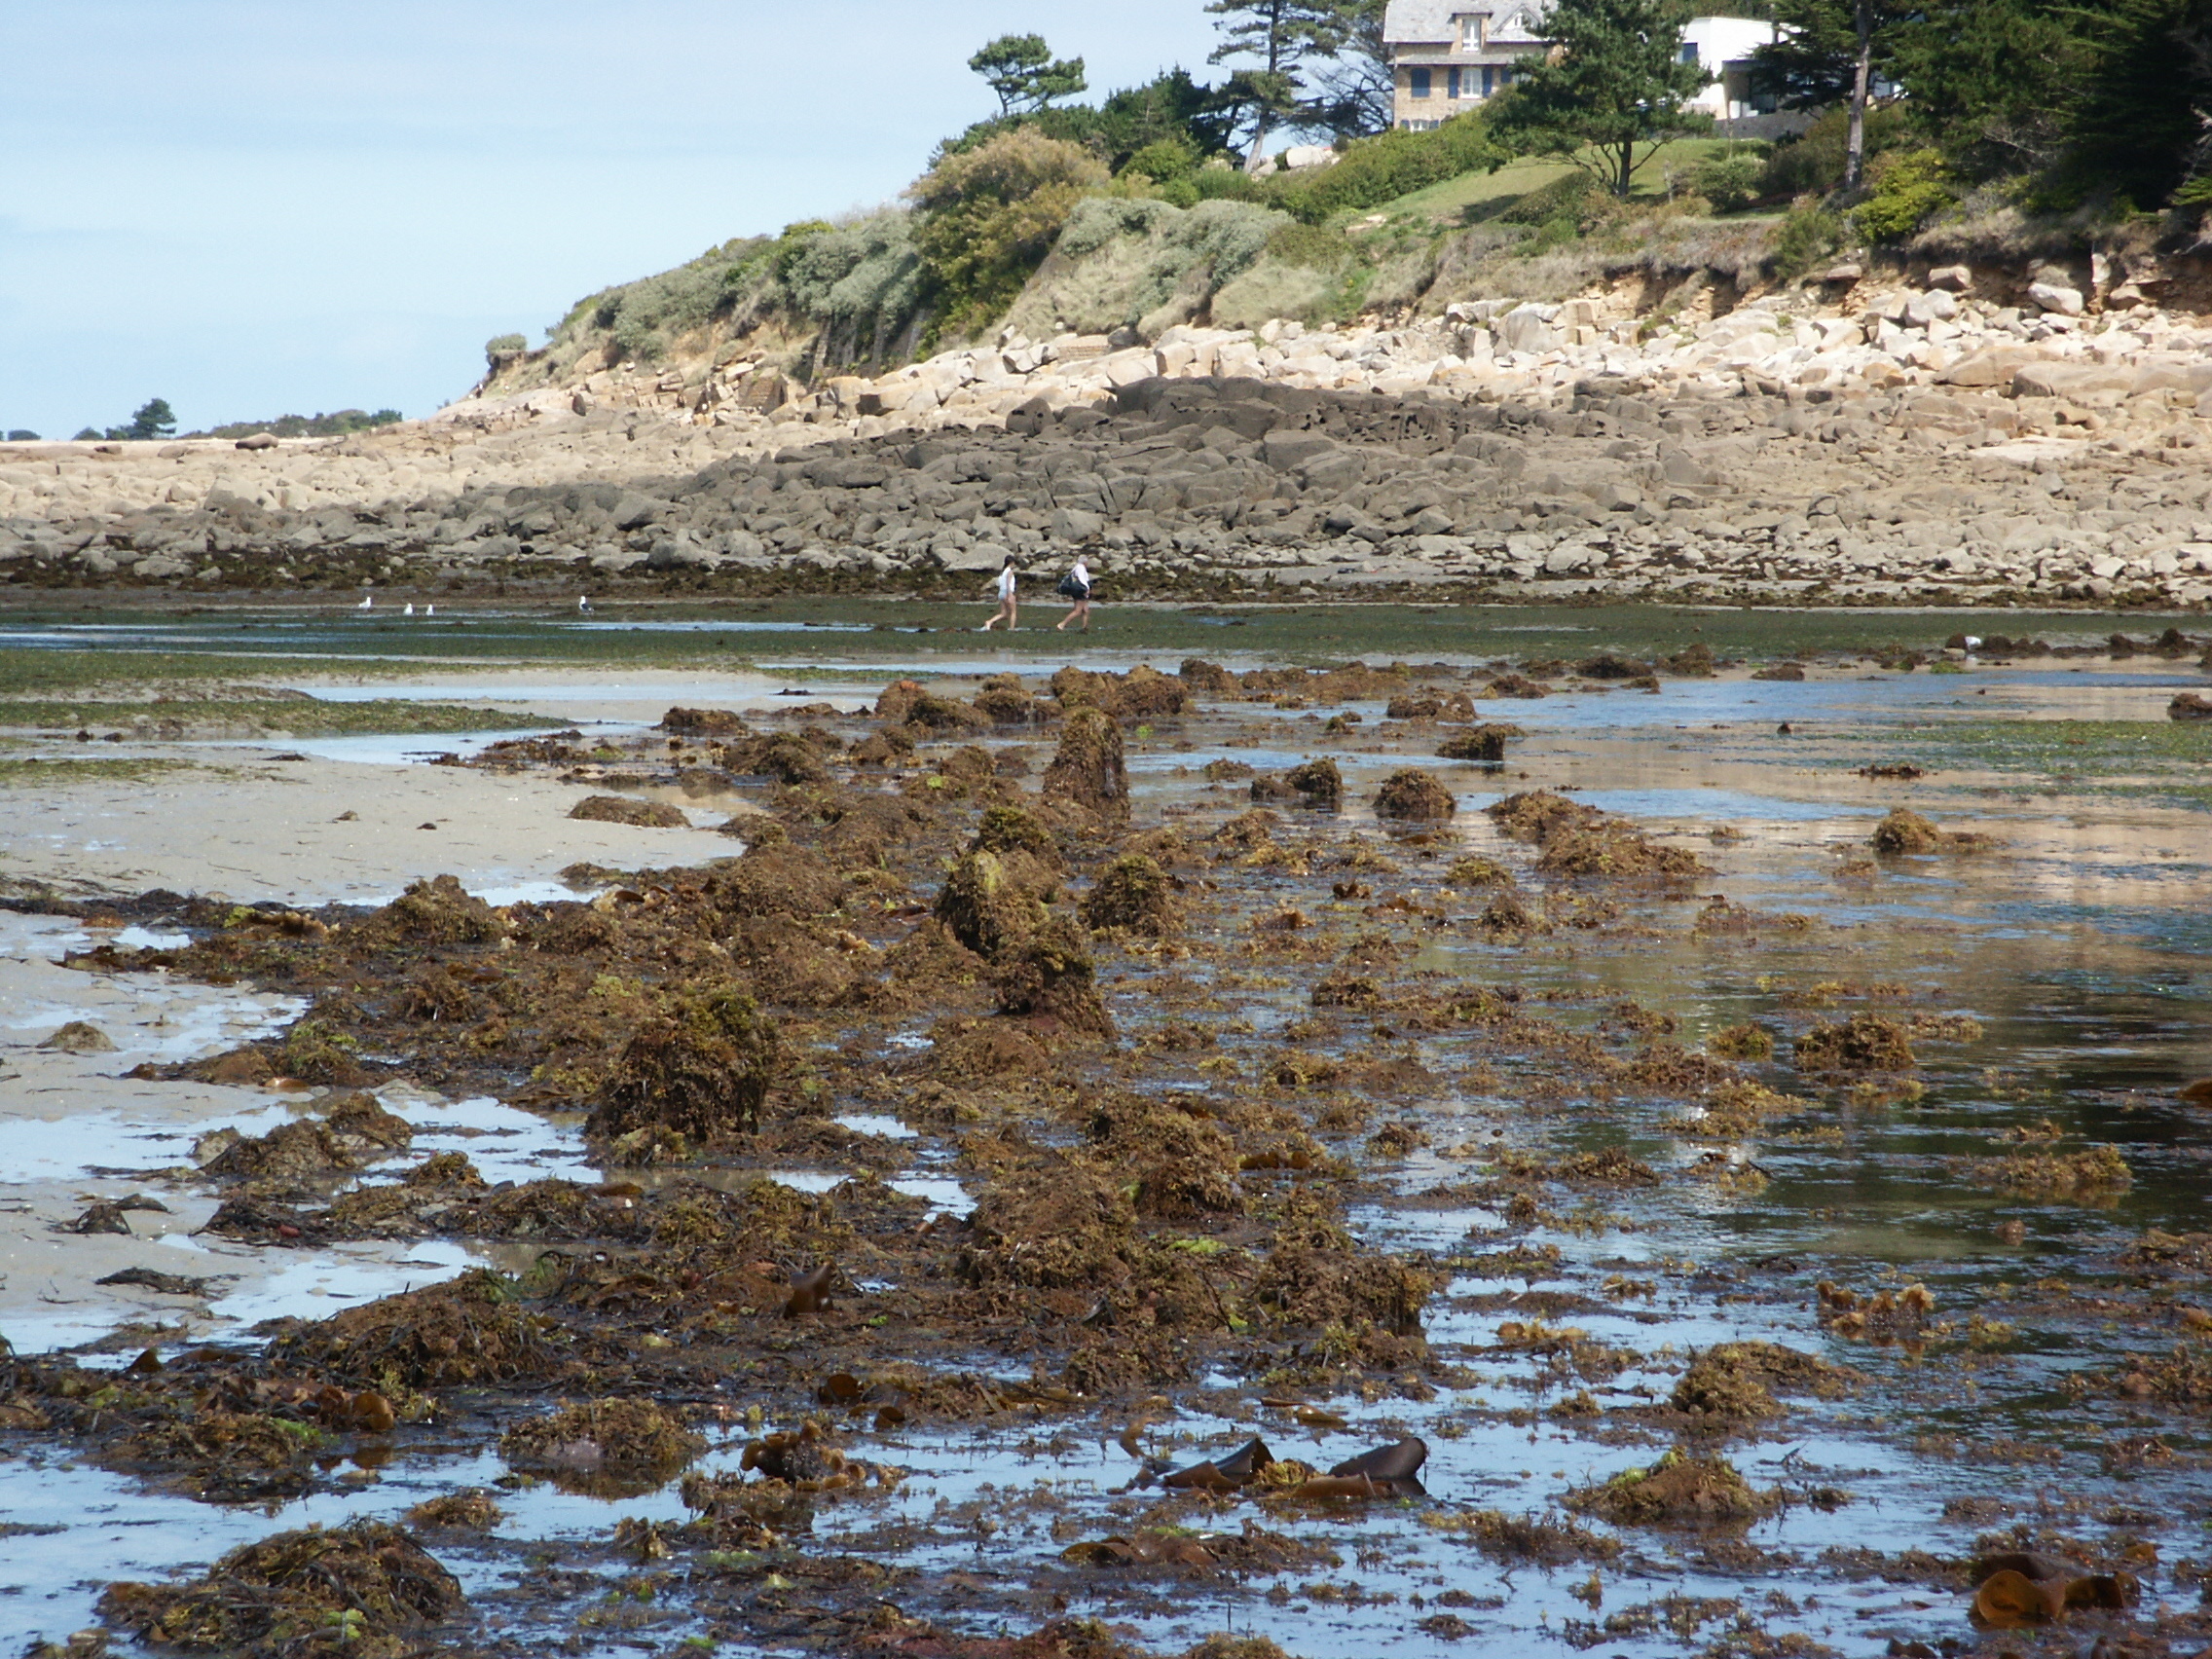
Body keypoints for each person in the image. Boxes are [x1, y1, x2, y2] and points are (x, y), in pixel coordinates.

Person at [1054, 556, 1092, 633]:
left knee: (1086, 610)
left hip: (1077, 590)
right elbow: (1082, 579)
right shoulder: (1081, 568)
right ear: (1085, 562)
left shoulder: (1076, 567)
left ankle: (1084, 627)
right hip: (1081, 590)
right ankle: (1062, 624)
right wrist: (1087, 588)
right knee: (1078, 611)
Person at [982, 554, 1018, 631]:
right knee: (1013, 612)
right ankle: (1012, 629)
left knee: (1004, 614)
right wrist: (1010, 595)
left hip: (1001, 593)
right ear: (1011, 563)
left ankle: (989, 622)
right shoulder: (1009, 572)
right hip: (1007, 593)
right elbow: (1008, 584)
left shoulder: (1003, 572)